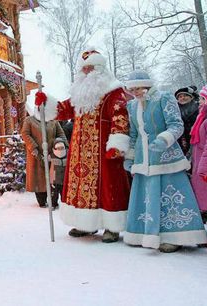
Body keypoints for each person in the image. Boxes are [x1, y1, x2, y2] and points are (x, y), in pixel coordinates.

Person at [123, 70, 207, 253]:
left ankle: (175, 237)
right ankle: (143, 234)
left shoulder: (164, 98)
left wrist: (164, 139)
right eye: (132, 89)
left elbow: (176, 125)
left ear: (146, 85)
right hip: (143, 158)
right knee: (146, 197)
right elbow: (134, 133)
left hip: (166, 157)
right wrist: (129, 157)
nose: (135, 92)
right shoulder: (131, 106)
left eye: (137, 88)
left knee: (170, 198)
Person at [56, 48, 130, 243]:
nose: (86, 72)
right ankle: (85, 224)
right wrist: (45, 104)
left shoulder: (113, 91)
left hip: (103, 149)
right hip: (80, 152)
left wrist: (117, 142)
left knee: (109, 187)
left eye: (90, 68)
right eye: (84, 69)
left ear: (100, 69)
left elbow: (120, 118)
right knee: (81, 188)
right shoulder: (80, 93)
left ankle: (112, 227)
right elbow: (64, 109)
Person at [21, 92, 67, 208]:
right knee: (39, 179)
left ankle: (53, 200)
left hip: (53, 155)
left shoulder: (53, 121)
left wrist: (61, 146)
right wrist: (34, 148)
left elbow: (61, 134)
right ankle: (41, 200)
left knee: (53, 179)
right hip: (36, 155)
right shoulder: (29, 120)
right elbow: (25, 134)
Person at [190, 82, 207, 255]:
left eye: (203, 98)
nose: (199, 101)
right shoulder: (204, 116)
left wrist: (206, 170)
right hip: (201, 166)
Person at [174, 86, 199, 159]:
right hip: (183, 140)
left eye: (185, 95)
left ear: (191, 97)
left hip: (197, 138)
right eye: (180, 97)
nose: (182, 98)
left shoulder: (199, 107)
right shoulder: (175, 111)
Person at [49, 137, 68, 209]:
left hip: (64, 179)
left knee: (64, 194)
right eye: (58, 148)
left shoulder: (68, 153)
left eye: (61, 148)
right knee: (54, 194)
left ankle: (65, 205)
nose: (60, 150)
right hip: (54, 179)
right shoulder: (51, 155)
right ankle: (54, 204)